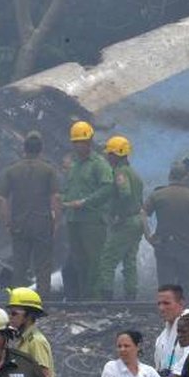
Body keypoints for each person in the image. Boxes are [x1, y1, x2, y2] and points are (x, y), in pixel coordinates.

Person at [142, 161, 189, 300]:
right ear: (185, 177)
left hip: (163, 246)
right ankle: (187, 316)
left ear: (170, 176)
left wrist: (148, 235)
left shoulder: (157, 195)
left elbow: (142, 213)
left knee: (166, 284)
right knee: (188, 285)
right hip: (187, 246)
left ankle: (167, 315)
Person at [0, 131, 60, 294]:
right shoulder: (48, 171)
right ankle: (42, 302)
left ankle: (19, 301)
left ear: (23, 149)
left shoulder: (12, 171)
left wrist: (7, 221)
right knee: (43, 266)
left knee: (19, 266)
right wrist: (56, 221)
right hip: (42, 223)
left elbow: (2, 199)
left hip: (19, 225)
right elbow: (55, 197)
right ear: (41, 150)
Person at [60, 121, 114, 299]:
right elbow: (70, 189)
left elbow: (108, 189)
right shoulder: (75, 166)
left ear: (89, 142)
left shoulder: (99, 164)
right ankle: (83, 297)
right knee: (78, 262)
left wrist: (85, 202)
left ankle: (94, 298)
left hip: (92, 222)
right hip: (74, 220)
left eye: (81, 141)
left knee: (94, 262)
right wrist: (62, 201)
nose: (78, 145)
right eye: (75, 142)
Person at [97, 135, 144, 300]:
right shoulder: (134, 174)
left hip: (126, 222)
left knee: (107, 260)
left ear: (116, 155)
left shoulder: (120, 172)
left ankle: (106, 299)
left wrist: (116, 213)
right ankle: (131, 297)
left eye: (110, 154)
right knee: (129, 262)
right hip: (138, 221)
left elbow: (124, 193)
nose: (107, 157)